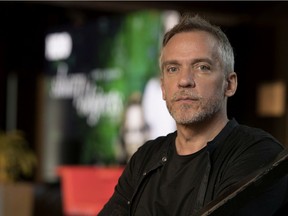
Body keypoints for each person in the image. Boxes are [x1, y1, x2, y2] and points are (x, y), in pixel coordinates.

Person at [99, 14, 288, 216]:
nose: (184, 81)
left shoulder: (257, 153)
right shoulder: (145, 158)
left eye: (202, 67)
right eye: (173, 69)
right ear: (163, 88)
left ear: (230, 84)